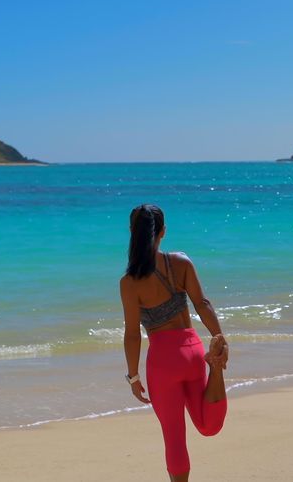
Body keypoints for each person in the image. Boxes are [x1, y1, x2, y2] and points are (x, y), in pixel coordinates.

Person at [119, 204, 229, 481]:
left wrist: (133, 377)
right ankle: (214, 368)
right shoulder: (180, 262)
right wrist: (219, 337)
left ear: (132, 232)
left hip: (162, 361)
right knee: (208, 426)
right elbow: (202, 303)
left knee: (174, 438)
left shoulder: (129, 282)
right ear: (163, 232)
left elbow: (132, 334)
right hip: (192, 352)